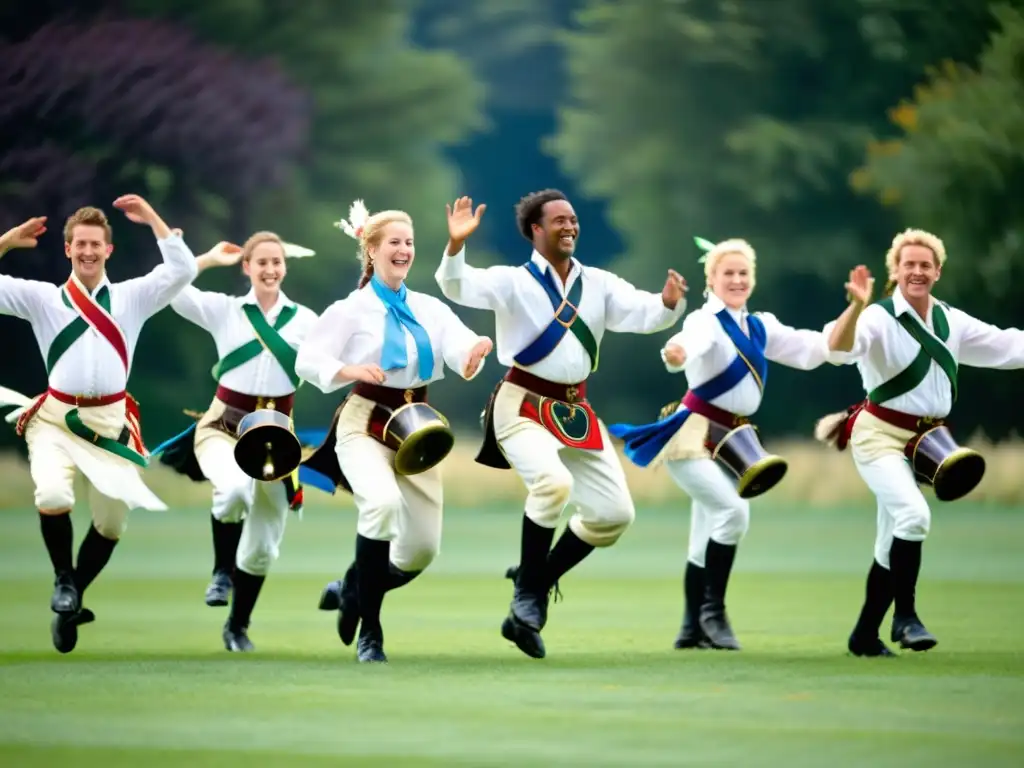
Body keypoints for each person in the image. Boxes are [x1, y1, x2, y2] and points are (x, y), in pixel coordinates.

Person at [434, 191, 687, 660]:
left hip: (576, 410)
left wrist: (668, 303)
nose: (569, 227)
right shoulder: (511, 282)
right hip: (523, 404)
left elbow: (646, 313)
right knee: (552, 483)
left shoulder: (600, 283)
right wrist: (455, 246)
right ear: (535, 230)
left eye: (573, 220)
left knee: (614, 515)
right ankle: (528, 598)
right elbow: (456, 285)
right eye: (558, 221)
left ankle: (535, 579)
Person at [607, 237, 870, 650]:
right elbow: (688, 343)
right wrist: (675, 353)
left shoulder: (761, 325)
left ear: (753, 279)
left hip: (733, 438)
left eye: (743, 273)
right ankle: (714, 612)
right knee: (733, 513)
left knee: (705, 530)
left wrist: (855, 308)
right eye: (727, 273)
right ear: (710, 280)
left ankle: (691, 629)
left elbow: (817, 348)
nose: (736, 280)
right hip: (693, 435)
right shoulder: (705, 321)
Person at [297, 199, 492, 663]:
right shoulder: (351, 309)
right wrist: (348, 368)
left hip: (415, 428)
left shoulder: (429, 307)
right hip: (363, 423)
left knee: (420, 550)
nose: (404, 250)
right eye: (394, 243)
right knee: (380, 505)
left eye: (409, 242)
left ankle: (351, 588)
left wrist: (474, 351)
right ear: (372, 251)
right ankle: (372, 633)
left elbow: (457, 345)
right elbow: (308, 358)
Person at [0, 197, 199, 653]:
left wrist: (151, 218)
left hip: (110, 423)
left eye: (96, 244)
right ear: (67, 250)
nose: (88, 251)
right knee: (52, 494)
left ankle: (75, 595)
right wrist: (8, 243)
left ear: (108, 250)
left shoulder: (133, 297)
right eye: (80, 244)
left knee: (111, 525)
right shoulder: (43, 299)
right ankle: (62, 582)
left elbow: (183, 270)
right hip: (54, 419)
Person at [818, 228, 1024, 657]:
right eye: (908, 264)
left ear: (937, 272)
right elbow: (838, 348)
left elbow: (1007, 346)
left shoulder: (952, 320)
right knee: (913, 515)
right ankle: (906, 618)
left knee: (888, 541)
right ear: (895, 271)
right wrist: (856, 306)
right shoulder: (875, 316)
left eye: (924, 265)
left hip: (928, 441)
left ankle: (863, 637)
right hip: (878, 436)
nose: (916, 271)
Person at [150, 231, 319, 652]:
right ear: (246, 267)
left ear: (285, 267)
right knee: (234, 489)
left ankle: (237, 627)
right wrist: (204, 260)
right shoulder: (225, 310)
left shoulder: (306, 321)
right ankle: (221, 572)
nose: (270, 270)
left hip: (277, 438)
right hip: (221, 428)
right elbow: (171, 289)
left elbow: (338, 350)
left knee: (263, 548)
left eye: (276, 262)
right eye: (261, 262)